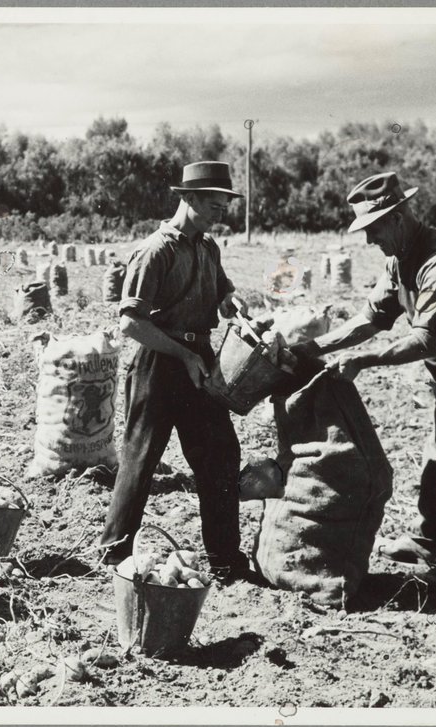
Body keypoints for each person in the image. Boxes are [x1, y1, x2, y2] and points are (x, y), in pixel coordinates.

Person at [292, 171, 436, 592]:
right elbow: (370, 318)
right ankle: (429, 543)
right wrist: (313, 347)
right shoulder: (399, 258)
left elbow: (426, 339)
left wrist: (364, 360)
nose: (368, 240)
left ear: (397, 218)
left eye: (373, 229)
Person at [98, 161, 251, 583]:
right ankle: (114, 555)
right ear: (189, 198)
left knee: (220, 456)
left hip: (199, 359)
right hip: (159, 361)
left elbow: (223, 294)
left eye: (224, 207)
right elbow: (131, 323)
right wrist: (182, 355)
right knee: (141, 457)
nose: (220, 214)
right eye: (215, 205)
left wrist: (231, 304)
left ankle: (225, 559)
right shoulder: (155, 250)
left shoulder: (207, 247)